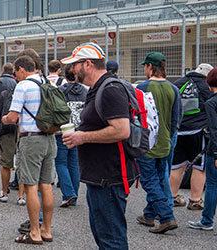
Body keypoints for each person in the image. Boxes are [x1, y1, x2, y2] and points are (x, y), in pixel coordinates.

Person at [61, 43, 139, 249]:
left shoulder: (110, 89)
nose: (71, 70)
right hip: (100, 176)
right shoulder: (98, 89)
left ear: (87, 64)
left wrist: (82, 137)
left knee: (112, 240)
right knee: (104, 237)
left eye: (74, 65)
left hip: (109, 177)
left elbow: (122, 130)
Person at [2, 56, 55, 245]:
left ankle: (34, 232)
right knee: (46, 185)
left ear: (21, 69)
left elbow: (13, 116)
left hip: (31, 139)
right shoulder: (47, 83)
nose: (15, 76)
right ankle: (46, 230)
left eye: (16, 72)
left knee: (31, 186)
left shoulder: (23, 86)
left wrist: (5, 119)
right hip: (50, 138)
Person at [134, 52, 180, 234]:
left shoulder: (142, 87)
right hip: (165, 141)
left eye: (145, 66)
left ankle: (167, 216)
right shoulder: (173, 88)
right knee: (161, 178)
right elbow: (176, 118)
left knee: (149, 180)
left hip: (146, 142)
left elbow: (135, 115)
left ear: (150, 67)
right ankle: (149, 214)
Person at [170, 63, 213, 209]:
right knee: (199, 167)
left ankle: (173, 197)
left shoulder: (178, 83)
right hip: (198, 131)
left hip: (179, 130)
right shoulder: (207, 85)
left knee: (176, 167)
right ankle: (195, 200)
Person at [188, 67, 217, 231]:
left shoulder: (211, 103)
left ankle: (207, 220)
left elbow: (215, 129)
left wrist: (216, 154)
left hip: (215, 149)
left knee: (213, 185)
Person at [55, 63, 87, 208]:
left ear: (65, 75)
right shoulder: (85, 91)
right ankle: (73, 195)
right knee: (74, 163)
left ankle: (68, 193)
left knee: (61, 162)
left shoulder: (60, 91)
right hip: (79, 131)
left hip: (63, 130)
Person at [0, 72, 21, 204]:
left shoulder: (5, 94)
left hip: (7, 130)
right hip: (24, 130)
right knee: (21, 163)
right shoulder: (32, 90)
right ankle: (21, 195)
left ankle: (4, 193)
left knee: (5, 163)